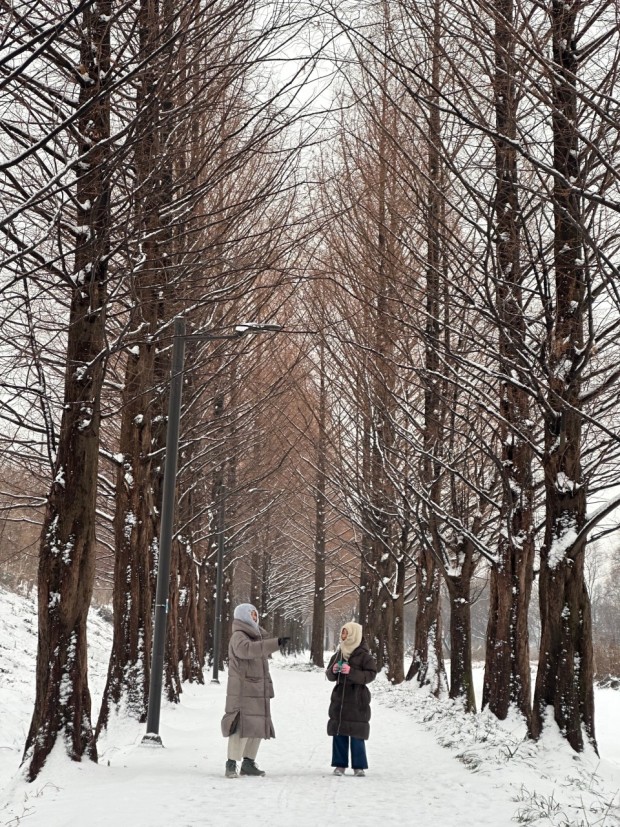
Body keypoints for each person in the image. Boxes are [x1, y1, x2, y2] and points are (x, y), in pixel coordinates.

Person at [221, 603, 289, 778]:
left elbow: (261, 665)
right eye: (251, 614)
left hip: (257, 690)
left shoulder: (255, 636)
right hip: (243, 689)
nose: (254, 617)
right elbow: (247, 651)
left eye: (255, 614)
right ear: (243, 616)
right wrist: (275, 643)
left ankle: (248, 762)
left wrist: (268, 688)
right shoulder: (239, 636)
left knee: (257, 725)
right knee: (241, 726)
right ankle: (231, 763)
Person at [326, 621, 377, 777]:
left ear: (354, 634)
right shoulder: (339, 653)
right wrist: (333, 671)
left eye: (346, 633)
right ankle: (339, 765)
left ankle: (359, 766)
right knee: (339, 731)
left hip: (357, 699)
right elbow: (329, 675)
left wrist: (352, 672)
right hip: (340, 699)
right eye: (342, 633)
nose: (343, 636)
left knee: (357, 733)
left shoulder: (364, 655)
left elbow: (371, 674)